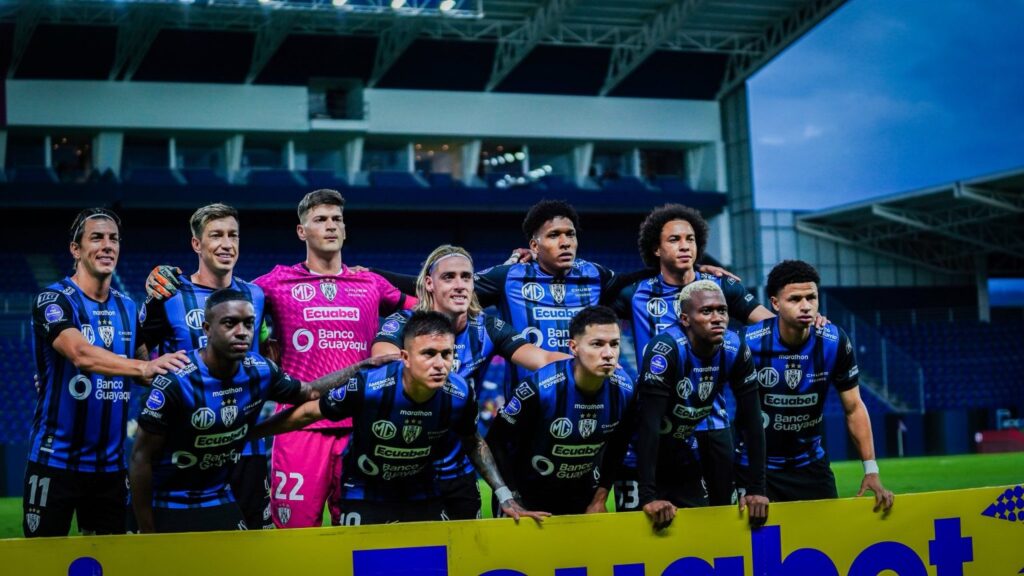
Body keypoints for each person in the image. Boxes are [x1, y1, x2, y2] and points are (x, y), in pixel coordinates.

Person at [146, 189, 415, 528]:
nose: (331, 225)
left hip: (361, 425)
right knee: (293, 534)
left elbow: (425, 306)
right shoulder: (272, 284)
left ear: (345, 229)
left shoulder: (370, 282)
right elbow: (220, 300)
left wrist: (387, 335)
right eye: (321, 219)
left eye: (337, 219)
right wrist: (163, 278)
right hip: (299, 424)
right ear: (302, 231)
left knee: (362, 532)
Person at [129, 289, 395, 533]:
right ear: (207, 329)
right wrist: (147, 533)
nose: (242, 332)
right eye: (230, 323)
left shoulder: (260, 370)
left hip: (217, 496)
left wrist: (362, 366)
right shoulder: (176, 381)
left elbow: (309, 391)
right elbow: (141, 459)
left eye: (248, 324)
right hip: (166, 500)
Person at [613, 203, 820, 508]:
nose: (685, 245)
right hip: (658, 420)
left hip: (711, 423)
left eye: (691, 239)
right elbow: (591, 317)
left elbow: (771, 327)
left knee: (718, 514)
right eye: (674, 239)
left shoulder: (721, 287)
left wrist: (806, 320)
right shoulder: (635, 292)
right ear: (656, 249)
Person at [254, 311, 549, 525]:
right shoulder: (369, 386)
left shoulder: (459, 393)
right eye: (429, 354)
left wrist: (504, 494)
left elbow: (473, 442)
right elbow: (308, 413)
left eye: (446, 354)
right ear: (405, 357)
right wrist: (251, 433)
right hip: (366, 493)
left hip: (423, 492)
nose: (440, 364)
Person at [371, 245, 568, 519]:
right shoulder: (404, 323)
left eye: (466, 277)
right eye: (448, 277)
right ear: (429, 283)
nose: (460, 285)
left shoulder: (486, 327)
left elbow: (542, 358)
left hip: (458, 470)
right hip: (405, 468)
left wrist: (586, 360)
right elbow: (382, 360)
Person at [24, 208, 188, 537]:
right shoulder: (53, 299)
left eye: (113, 239)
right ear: (76, 249)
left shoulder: (127, 306)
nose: (107, 245)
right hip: (54, 461)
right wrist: (144, 366)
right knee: (42, 559)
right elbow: (81, 354)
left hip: (111, 469)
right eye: (97, 238)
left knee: (109, 560)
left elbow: (145, 372)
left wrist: (179, 363)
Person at [137, 203, 273, 530]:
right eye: (216, 235)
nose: (227, 244)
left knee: (255, 546)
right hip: (185, 450)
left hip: (246, 447)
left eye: (233, 235)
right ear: (197, 244)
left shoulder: (255, 295)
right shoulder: (169, 294)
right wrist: (155, 375)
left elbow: (266, 350)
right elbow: (138, 352)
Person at [735, 260, 894, 511]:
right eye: (795, 299)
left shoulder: (834, 341)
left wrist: (871, 470)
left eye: (811, 297)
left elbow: (854, 407)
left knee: (827, 536)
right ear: (775, 303)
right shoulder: (747, 343)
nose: (806, 306)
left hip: (810, 466)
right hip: (754, 469)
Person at [634, 280, 768, 530]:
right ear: (685, 319)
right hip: (644, 449)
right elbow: (648, 425)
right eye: (706, 311)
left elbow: (752, 420)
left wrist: (757, 489)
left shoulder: (735, 347)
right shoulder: (665, 350)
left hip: (686, 441)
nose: (717, 318)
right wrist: (648, 496)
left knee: (704, 523)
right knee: (646, 529)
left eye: (722, 310)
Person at [486, 306, 637, 515]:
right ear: (573, 347)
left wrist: (600, 498)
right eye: (597, 344)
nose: (608, 354)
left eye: (614, 344)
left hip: (581, 494)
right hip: (526, 494)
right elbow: (496, 442)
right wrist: (511, 497)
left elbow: (619, 445)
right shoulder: (538, 389)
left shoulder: (625, 390)